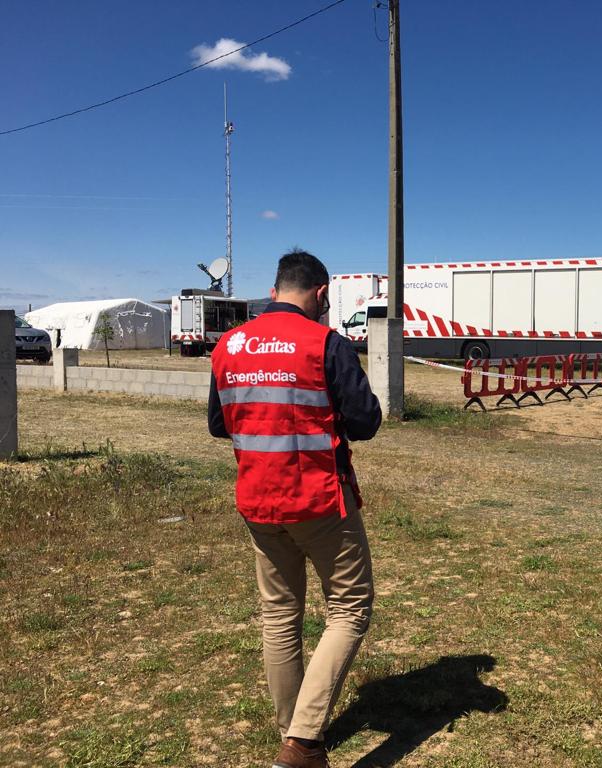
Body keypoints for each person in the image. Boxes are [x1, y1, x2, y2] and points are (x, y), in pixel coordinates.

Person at [208, 249, 382, 768]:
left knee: (280, 614)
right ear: (321, 294)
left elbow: (220, 425)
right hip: (320, 499)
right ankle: (303, 743)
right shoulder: (326, 343)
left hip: (257, 500)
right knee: (350, 609)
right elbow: (366, 420)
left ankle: (293, 731)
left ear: (276, 286)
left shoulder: (230, 344)